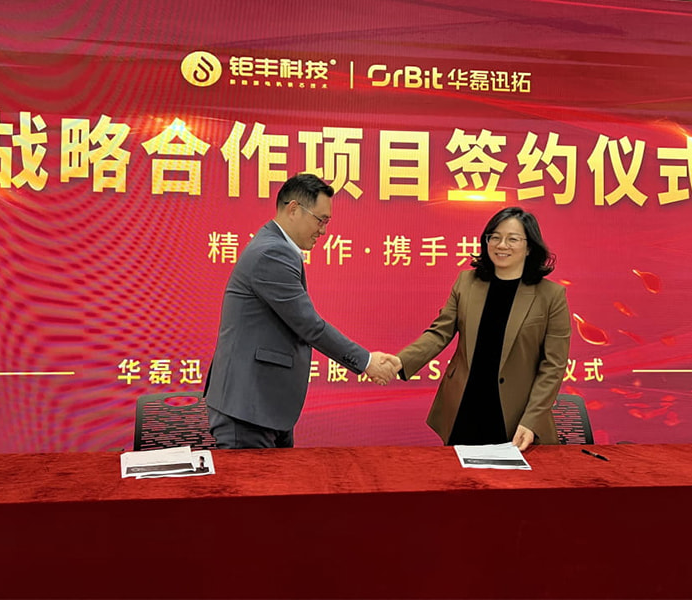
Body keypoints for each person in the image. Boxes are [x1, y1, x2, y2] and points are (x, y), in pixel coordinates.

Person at [206, 173, 399, 449]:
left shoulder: (274, 246)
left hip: (265, 405)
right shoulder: (271, 253)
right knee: (251, 479)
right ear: (294, 209)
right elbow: (309, 326)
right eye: (321, 220)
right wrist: (367, 362)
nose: (324, 231)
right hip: (248, 409)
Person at [397, 206, 571, 450]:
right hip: (465, 406)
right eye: (495, 237)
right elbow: (439, 333)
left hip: (516, 413)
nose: (502, 245)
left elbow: (553, 366)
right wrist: (399, 362)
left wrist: (532, 420)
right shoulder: (466, 282)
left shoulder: (551, 295)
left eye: (513, 239)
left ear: (529, 247)